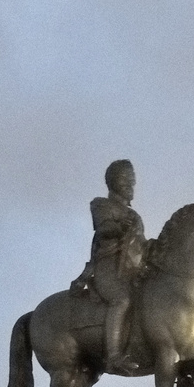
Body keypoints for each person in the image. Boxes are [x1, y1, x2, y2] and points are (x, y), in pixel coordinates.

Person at [72, 159, 148, 374]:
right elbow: (103, 230)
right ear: (113, 182)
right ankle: (114, 356)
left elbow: (140, 245)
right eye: (126, 180)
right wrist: (118, 228)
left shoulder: (135, 216)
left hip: (133, 270)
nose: (130, 185)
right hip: (108, 267)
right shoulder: (101, 204)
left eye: (132, 181)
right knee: (121, 299)